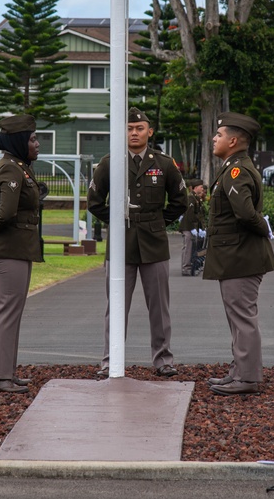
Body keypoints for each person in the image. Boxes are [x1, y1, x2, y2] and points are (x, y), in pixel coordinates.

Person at [87, 107, 188, 376]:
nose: (134, 133)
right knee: (116, 307)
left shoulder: (164, 163)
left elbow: (180, 201)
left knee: (159, 307)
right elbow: (94, 203)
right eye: (129, 128)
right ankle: (110, 360)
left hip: (154, 243)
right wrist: (118, 221)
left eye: (139, 128)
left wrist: (157, 221)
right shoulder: (110, 163)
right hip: (121, 245)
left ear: (149, 132)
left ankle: (163, 359)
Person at [203, 112, 274, 396]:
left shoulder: (238, 171)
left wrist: (264, 229)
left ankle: (247, 378)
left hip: (241, 257)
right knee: (237, 318)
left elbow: (246, 214)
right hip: (235, 256)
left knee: (243, 318)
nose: (214, 138)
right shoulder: (233, 167)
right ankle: (239, 371)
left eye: (219, 135)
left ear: (233, 141)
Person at [0, 114, 43, 394]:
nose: (37, 143)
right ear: (19, 141)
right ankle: (0, 376)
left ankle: (6, 372)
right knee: (7, 312)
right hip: (9, 250)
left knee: (13, 313)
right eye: (32, 139)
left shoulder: (19, 167)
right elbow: (5, 214)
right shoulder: (10, 170)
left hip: (19, 248)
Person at [178, 179, 207, 276]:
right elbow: (189, 215)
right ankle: (186, 268)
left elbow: (198, 215)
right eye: (201, 187)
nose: (202, 189)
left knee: (192, 248)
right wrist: (192, 228)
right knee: (188, 247)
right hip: (188, 226)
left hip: (192, 227)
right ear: (196, 188)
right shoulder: (191, 198)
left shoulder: (196, 198)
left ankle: (190, 266)